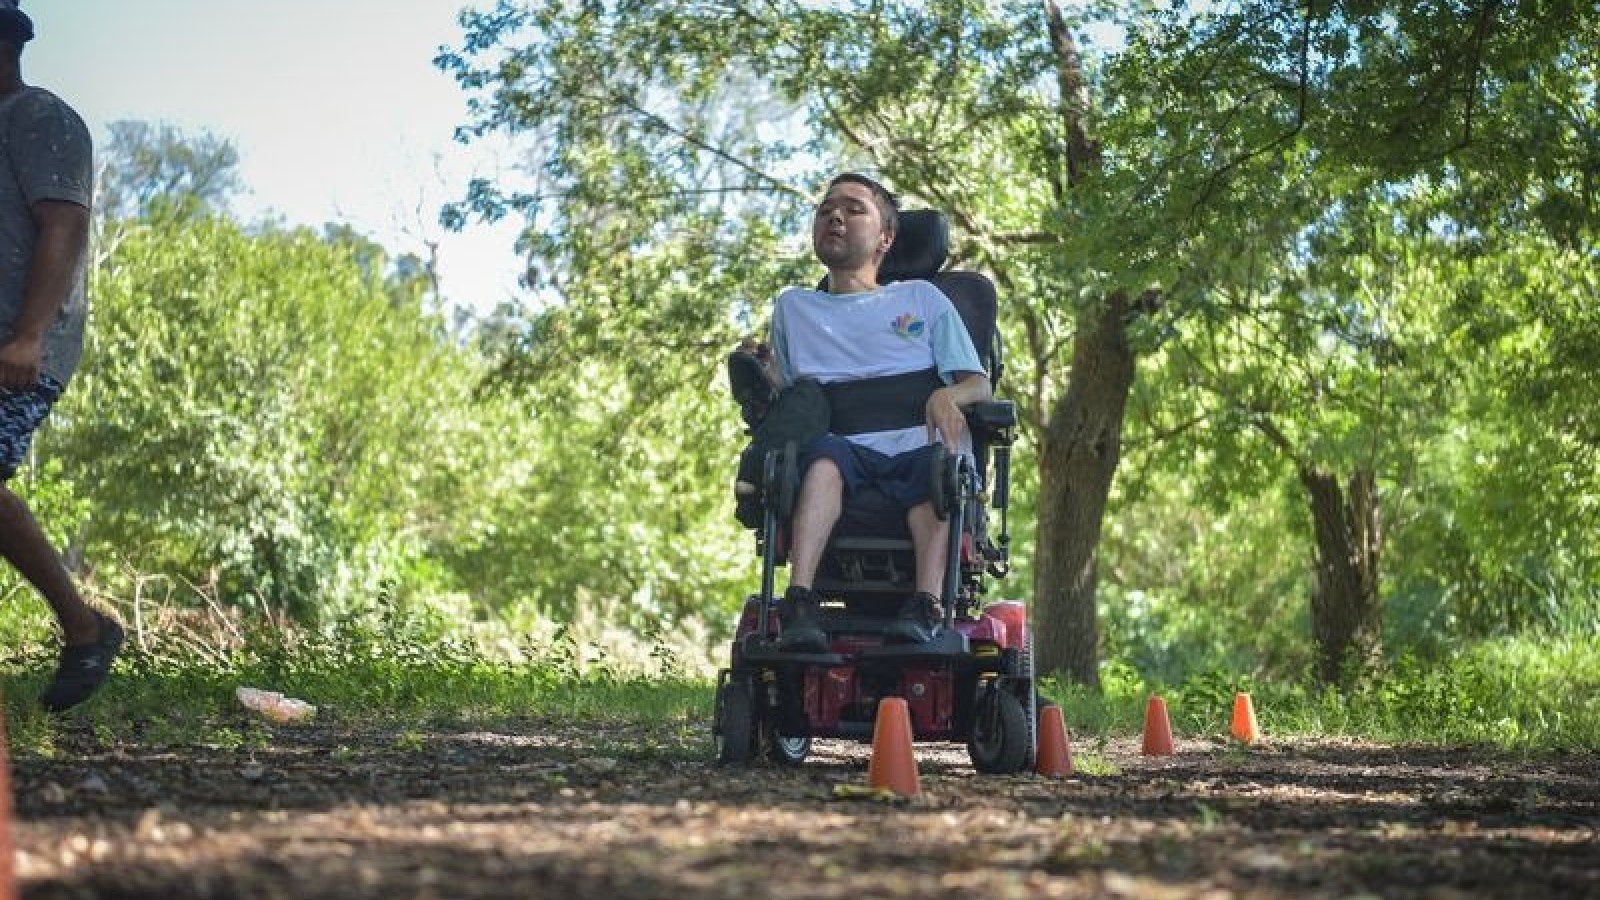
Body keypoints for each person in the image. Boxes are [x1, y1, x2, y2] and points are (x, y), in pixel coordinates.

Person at [764, 173, 990, 651]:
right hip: (842, 453)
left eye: (853, 208)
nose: (835, 216)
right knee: (822, 460)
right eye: (826, 209)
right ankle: (800, 601)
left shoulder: (920, 299)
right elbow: (787, 395)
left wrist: (948, 395)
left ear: (886, 238)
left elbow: (978, 383)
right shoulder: (793, 309)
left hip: (918, 449)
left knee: (939, 467)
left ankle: (926, 604)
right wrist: (759, 373)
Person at [0, 1, 123, 712]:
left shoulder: (41, 117)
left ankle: (85, 629)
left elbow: (64, 224)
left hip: (23, 346)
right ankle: (83, 629)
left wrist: (28, 334)